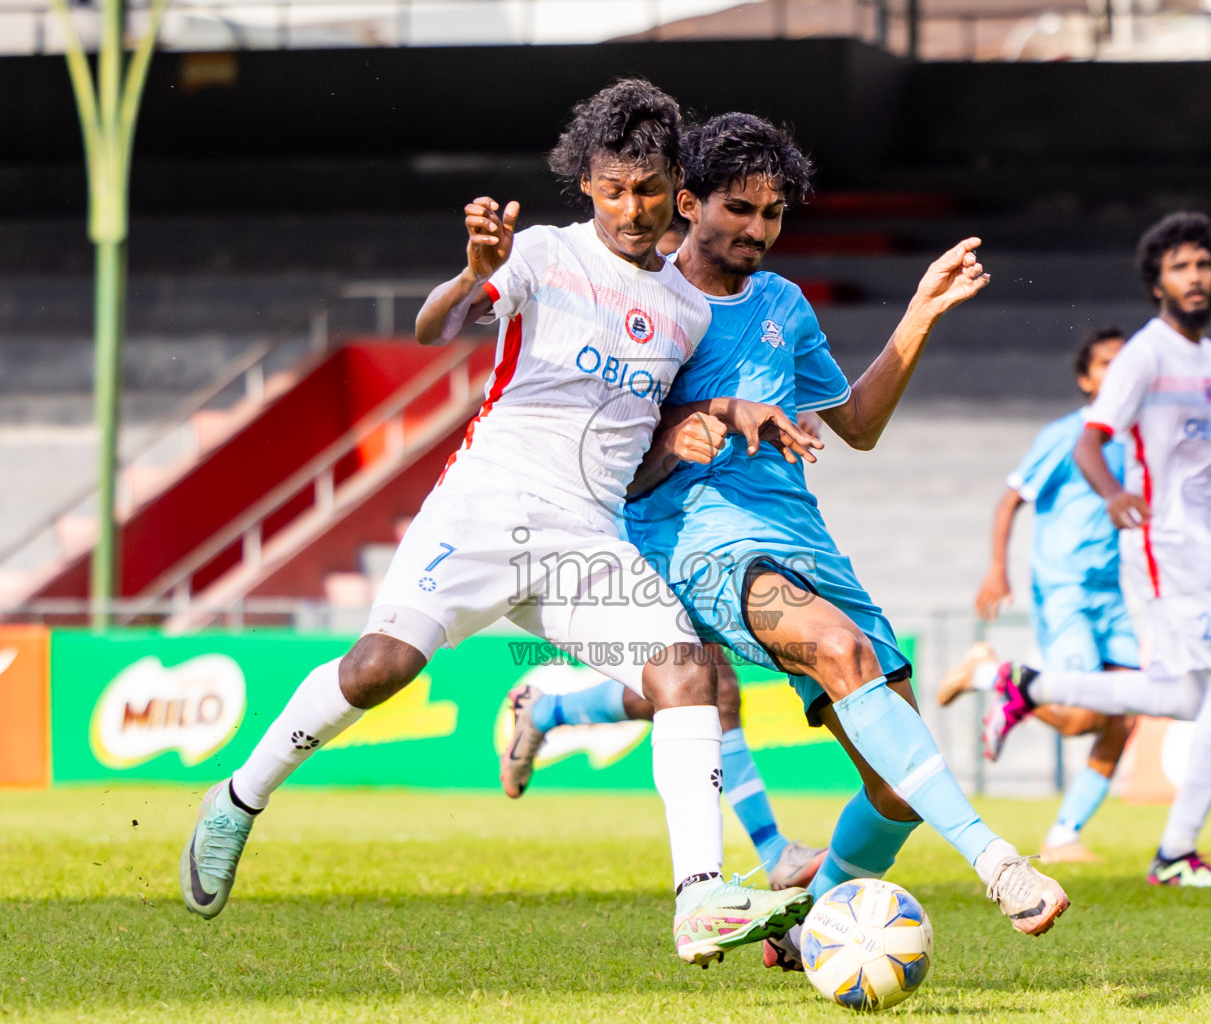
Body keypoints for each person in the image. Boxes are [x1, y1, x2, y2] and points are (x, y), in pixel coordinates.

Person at [179, 80, 822, 968]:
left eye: (645, 190)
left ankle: (699, 897)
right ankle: (238, 800)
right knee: (378, 669)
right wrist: (473, 275)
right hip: (486, 506)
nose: (628, 210)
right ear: (587, 185)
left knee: (688, 676)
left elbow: (641, 461)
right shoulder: (544, 256)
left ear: (677, 188)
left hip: (588, 537)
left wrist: (689, 432)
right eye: (610, 189)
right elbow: (433, 328)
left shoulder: (685, 311)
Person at [505, 113, 1071, 975]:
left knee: (893, 788)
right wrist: (683, 432)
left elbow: (859, 424)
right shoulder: (644, 304)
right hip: (698, 541)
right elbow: (600, 457)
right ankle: (998, 863)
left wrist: (919, 311)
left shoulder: (782, 305)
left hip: (802, 540)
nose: (760, 231)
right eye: (741, 209)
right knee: (832, 654)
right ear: (687, 202)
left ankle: (804, 927)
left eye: (774, 214)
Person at [977, 212, 1211, 888]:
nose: (1196, 277)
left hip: (1196, 541)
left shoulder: (1206, 358)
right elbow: (1089, 441)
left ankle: (1028, 684)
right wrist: (1112, 497)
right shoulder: (1145, 355)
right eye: (1181, 267)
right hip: (1161, 543)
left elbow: (1195, 458)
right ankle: (1176, 855)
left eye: (1204, 265)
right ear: (1158, 283)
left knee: (1190, 695)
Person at [938, 328, 1138, 864]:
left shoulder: (1136, 436)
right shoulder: (1067, 434)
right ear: (1085, 378)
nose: (1118, 373)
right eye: (1106, 365)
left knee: (1129, 713)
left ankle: (1064, 835)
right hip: (1065, 586)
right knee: (1083, 717)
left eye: (1127, 364)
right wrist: (998, 570)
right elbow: (1010, 500)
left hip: (1109, 588)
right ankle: (993, 675)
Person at [501, 643, 829, 890]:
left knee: (704, 688)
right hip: (641, 558)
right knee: (703, 684)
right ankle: (770, 852)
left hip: (685, 554)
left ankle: (544, 711)